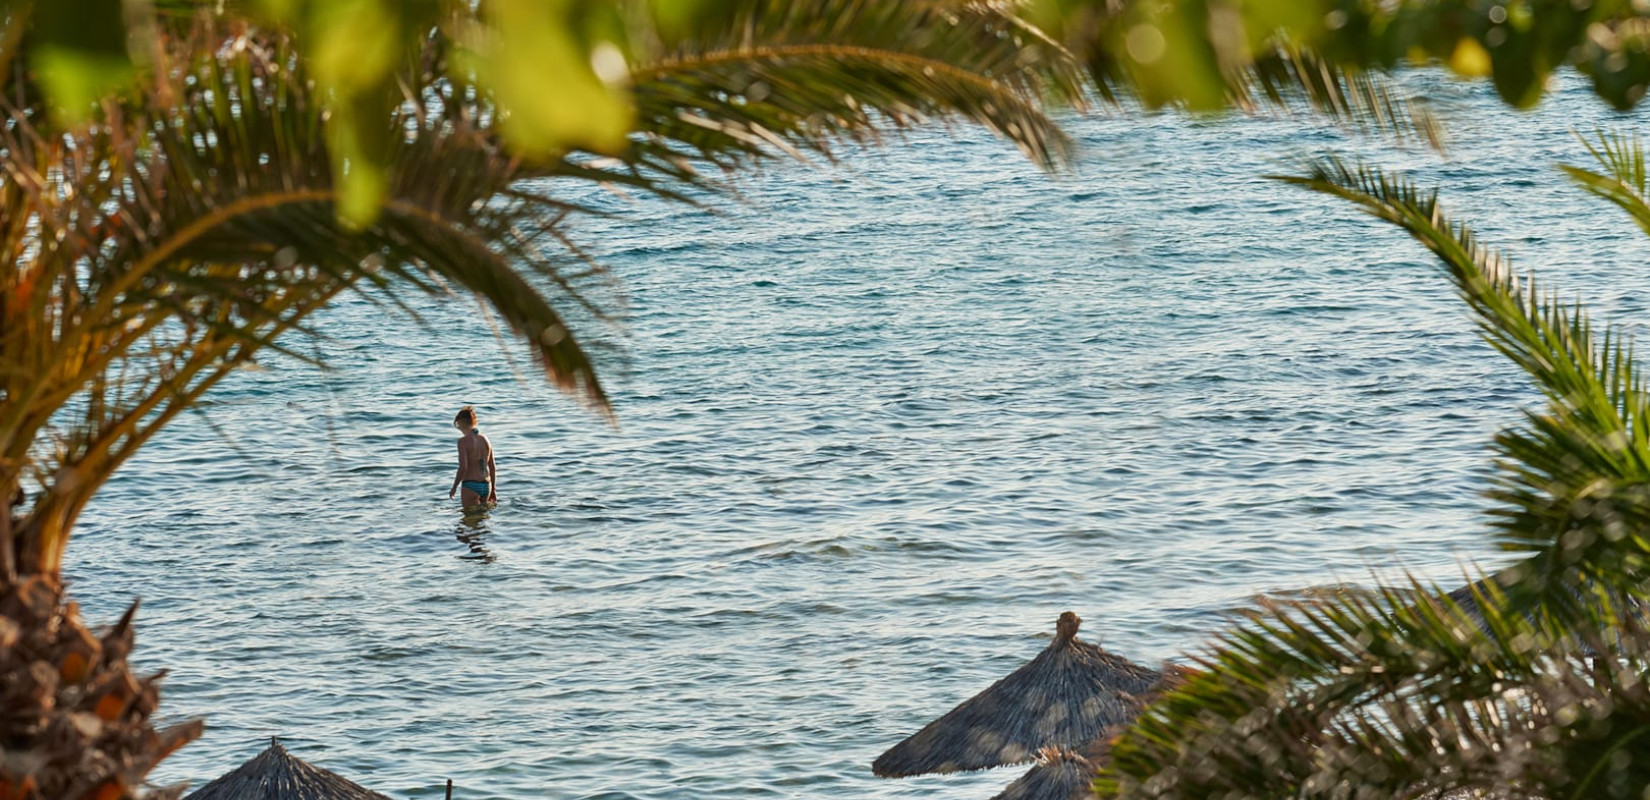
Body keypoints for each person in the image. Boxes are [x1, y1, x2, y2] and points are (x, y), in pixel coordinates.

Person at [448, 406, 497, 507]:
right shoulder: (485, 440)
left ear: (461, 423)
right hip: (486, 485)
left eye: (457, 425)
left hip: (471, 485)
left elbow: (463, 467)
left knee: (469, 520)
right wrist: (493, 490)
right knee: (482, 519)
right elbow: (492, 466)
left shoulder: (463, 441)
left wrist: (454, 487)